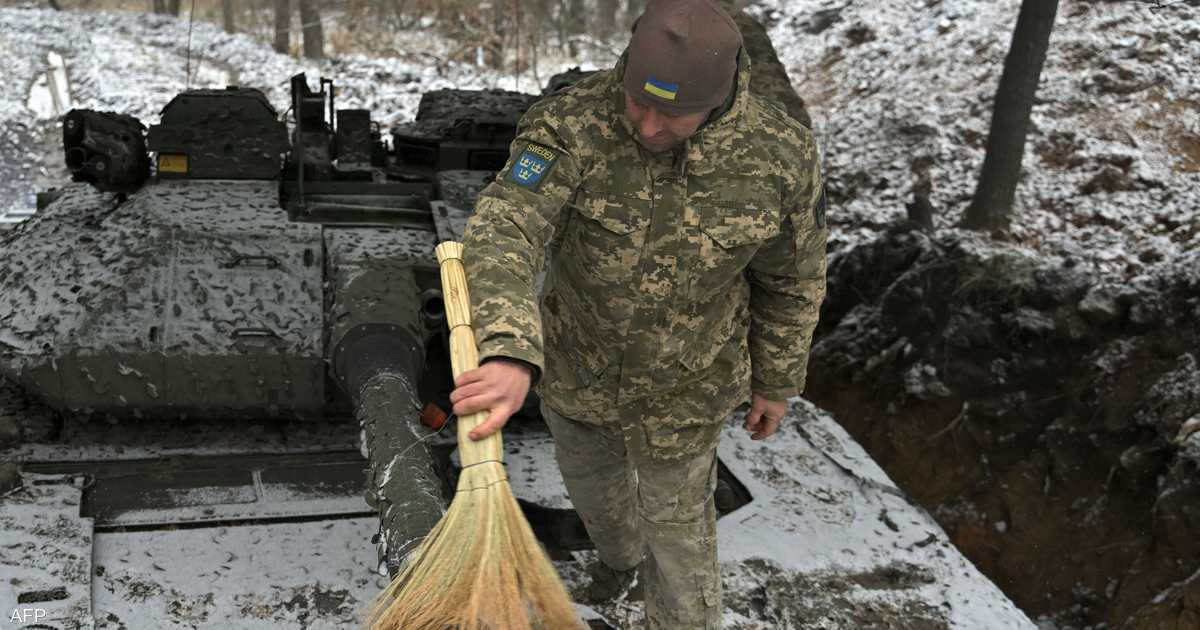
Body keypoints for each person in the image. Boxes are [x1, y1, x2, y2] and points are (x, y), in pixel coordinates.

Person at [450, 0, 827, 626]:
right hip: (580, 370)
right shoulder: (571, 124)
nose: (649, 127)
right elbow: (505, 226)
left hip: (688, 386)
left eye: (674, 113)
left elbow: (793, 278)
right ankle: (620, 562)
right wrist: (511, 347)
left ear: (721, 96)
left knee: (679, 545)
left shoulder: (780, 155)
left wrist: (777, 381)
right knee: (600, 503)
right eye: (638, 102)